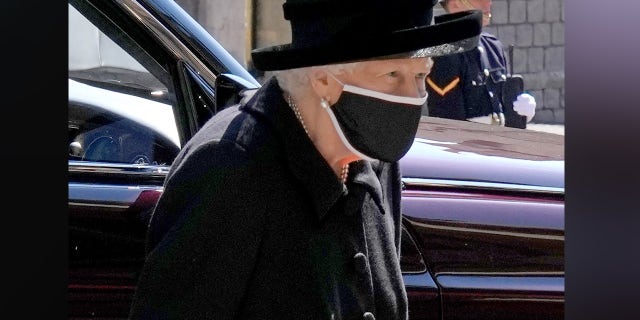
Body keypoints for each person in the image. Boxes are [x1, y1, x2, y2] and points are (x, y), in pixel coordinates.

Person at [128, 0, 481, 319]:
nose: (413, 97)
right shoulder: (231, 167)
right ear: (324, 79)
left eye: (421, 75)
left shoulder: (371, 158)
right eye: (393, 75)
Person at [425, 0, 537, 128]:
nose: (489, 3)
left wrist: (519, 112)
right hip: (467, 144)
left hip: (497, 142)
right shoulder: (443, 52)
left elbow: (501, 103)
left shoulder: (493, 46)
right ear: (456, 3)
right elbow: (449, 122)